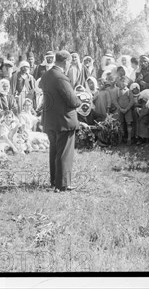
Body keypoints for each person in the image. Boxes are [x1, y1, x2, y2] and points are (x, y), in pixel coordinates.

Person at [40, 50, 82, 192]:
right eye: (70, 62)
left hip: (50, 120)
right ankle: (63, 184)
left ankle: (54, 181)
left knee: (54, 152)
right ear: (65, 62)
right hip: (63, 120)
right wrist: (79, 99)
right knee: (64, 152)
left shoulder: (46, 75)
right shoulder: (61, 77)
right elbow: (72, 100)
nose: (70, 65)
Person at [116, 77, 136, 145]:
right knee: (121, 123)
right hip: (120, 110)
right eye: (121, 81)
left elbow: (132, 101)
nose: (122, 83)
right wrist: (120, 108)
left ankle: (129, 138)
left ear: (127, 83)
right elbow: (115, 101)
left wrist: (127, 109)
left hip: (128, 110)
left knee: (128, 123)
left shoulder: (128, 91)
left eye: (124, 82)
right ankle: (122, 138)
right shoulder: (118, 91)